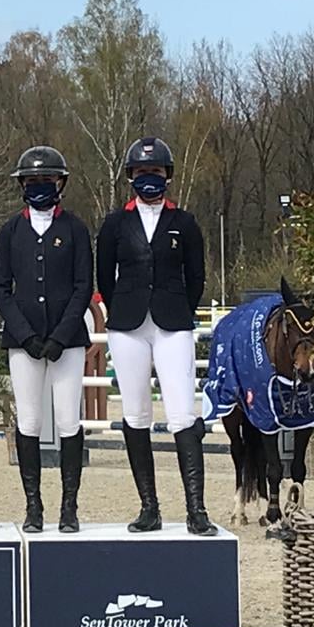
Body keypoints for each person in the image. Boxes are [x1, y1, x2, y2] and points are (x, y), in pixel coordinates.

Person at [95, 136, 217, 536]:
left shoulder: (185, 223)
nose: (150, 178)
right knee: (136, 414)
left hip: (172, 323)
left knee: (182, 411)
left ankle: (196, 508)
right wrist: (122, 307)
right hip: (128, 323)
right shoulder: (115, 224)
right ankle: (149, 506)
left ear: (167, 176)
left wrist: (179, 307)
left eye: (157, 172)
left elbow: (196, 277)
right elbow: (104, 277)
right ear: (132, 176)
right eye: (143, 172)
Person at [0, 146, 92, 534]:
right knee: (29, 421)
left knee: (69, 420)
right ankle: (33, 505)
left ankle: (69, 506)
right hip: (24, 341)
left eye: (46, 181)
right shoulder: (11, 231)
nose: (39, 187)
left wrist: (61, 335)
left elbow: (84, 286)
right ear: (22, 185)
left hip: (66, 340)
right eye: (32, 182)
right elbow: (1, 289)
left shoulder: (75, 229)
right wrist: (27, 335)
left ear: (60, 183)